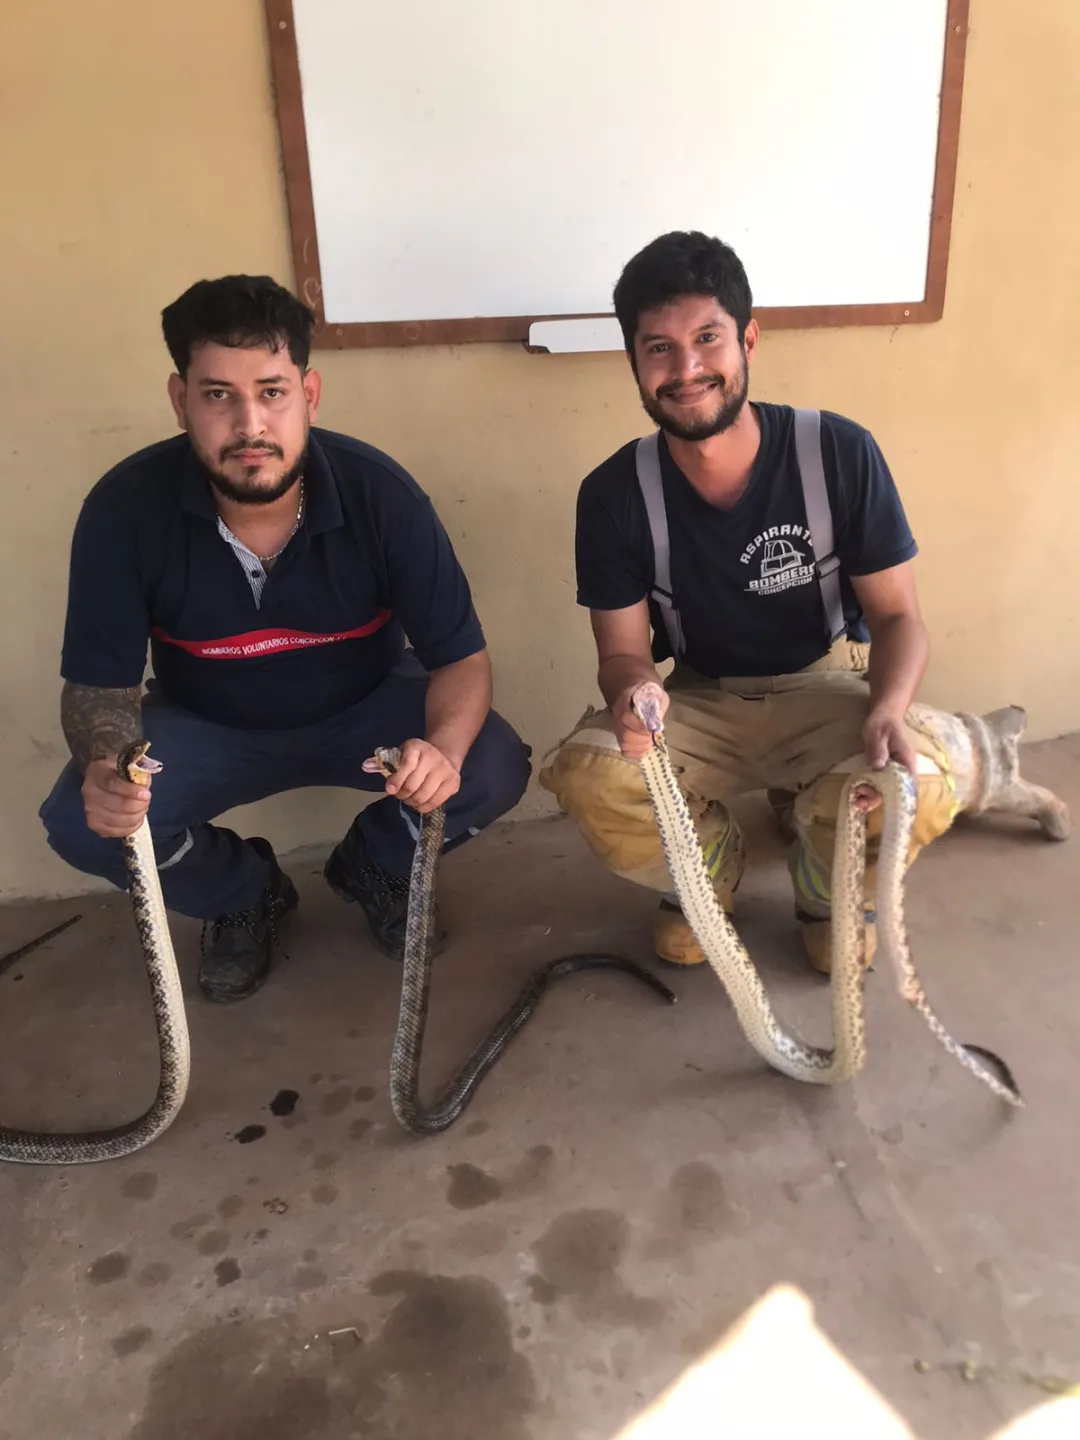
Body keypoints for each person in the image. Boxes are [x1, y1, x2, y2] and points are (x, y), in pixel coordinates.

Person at [41, 275, 531, 1003]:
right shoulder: (124, 510)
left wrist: (443, 754)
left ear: (310, 393)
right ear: (181, 400)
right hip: (210, 726)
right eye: (218, 395)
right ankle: (243, 894)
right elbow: (98, 688)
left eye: (271, 391)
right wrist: (111, 766)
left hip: (365, 713)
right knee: (83, 825)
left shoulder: (381, 495)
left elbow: (457, 656)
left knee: (488, 764)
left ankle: (377, 861)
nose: (249, 424)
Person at [539, 231, 958, 973]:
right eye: (658, 347)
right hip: (701, 699)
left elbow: (900, 620)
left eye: (707, 339)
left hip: (826, 682)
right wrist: (635, 693)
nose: (687, 368)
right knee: (589, 773)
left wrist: (888, 709)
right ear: (633, 361)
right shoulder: (613, 495)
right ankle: (710, 863)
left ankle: (824, 886)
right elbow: (623, 653)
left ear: (749, 340)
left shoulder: (837, 452)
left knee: (919, 781)